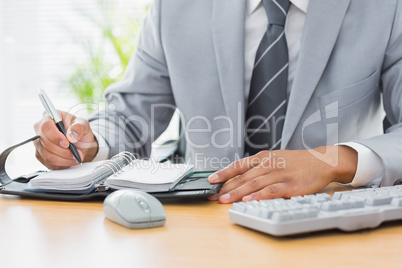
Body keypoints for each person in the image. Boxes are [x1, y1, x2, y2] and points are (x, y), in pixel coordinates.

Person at [34, 0, 402, 204]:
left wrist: (333, 161)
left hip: (331, 219)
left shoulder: (386, 8)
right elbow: (131, 115)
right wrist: (90, 140)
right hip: (207, 222)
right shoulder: (175, 8)